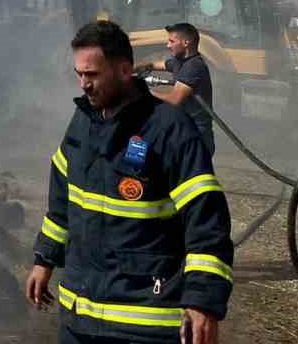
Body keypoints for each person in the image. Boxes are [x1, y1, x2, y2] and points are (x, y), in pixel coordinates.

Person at [27, 21, 233, 344]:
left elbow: (206, 220)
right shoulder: (82, 123)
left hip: (143, 324)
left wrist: (202, 302)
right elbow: (62, 198)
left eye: (92, 75)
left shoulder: (169, 129)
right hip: (79, 319)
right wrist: (45, 259)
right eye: (79, 74)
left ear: (124, 70)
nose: (84, 85)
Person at [137, 23, 217, 156]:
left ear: (186, 42)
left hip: (197, 137)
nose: (168, 45)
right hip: (184, 132)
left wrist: (143, 92)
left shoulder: (194, 66)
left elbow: (174, 100)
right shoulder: (179, 62)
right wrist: (129, 70)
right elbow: (152, 64)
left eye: (171, 41)